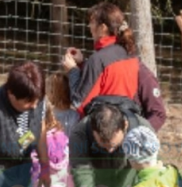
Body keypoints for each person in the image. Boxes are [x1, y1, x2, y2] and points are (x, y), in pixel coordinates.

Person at [61, 2, 167, 132]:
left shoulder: (98, 60)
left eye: (92, 22)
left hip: (101, 138)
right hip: (125, 135)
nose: (89, 26)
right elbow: (159, 113)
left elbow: (78, 103)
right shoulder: (131, 57)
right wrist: (83, 64)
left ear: (103, 28)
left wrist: (73, 71)